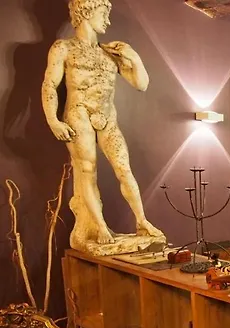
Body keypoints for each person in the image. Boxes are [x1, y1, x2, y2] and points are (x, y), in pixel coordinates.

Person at [42, 0, 163, 250]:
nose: (107, 21)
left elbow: (141, 84)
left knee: (124, 169)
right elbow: (50, 85)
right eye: (103, 14)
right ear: (86, 12)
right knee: (87, 169)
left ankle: (142, 221)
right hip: (79, 113)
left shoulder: (109, 53)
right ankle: (99, 225)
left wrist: (134, 57)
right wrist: (53, 120)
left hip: (108, 117)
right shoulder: (63, 48)